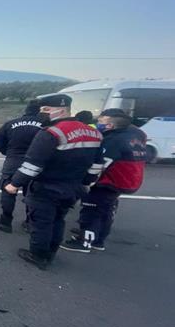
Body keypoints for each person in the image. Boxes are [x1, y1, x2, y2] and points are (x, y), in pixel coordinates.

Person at [5, 94, 103, 270]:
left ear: (62, 109)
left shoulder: (51, 133)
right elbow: (97, 164)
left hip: (47, 186)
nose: (43, 114)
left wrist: (15, 184)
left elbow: (32, 164)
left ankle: (38, 255)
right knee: (59, 219)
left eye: (46, 110)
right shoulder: (94, 133)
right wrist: (88, 181)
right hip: (74, 186)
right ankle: (51, 252)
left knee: (41, 222)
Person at [61, 108, 147, 253]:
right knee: (105, 210)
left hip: (109, 181)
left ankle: (84, 241)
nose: (98, 123)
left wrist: (88, 180)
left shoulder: (113, 140)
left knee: (91, 209)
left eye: (101, 121)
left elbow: (101, 164)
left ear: (110, 125)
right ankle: (98, 239)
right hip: (126, 181)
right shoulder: (134, 135)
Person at [0, 99, 45, 233]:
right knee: (33, 194)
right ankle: (30, 223)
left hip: (13, 162)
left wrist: (9, 153)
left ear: (26, 110)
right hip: (36, 164)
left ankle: (5, 221)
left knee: (8, 191)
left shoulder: (11, 124)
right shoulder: (46, 125)